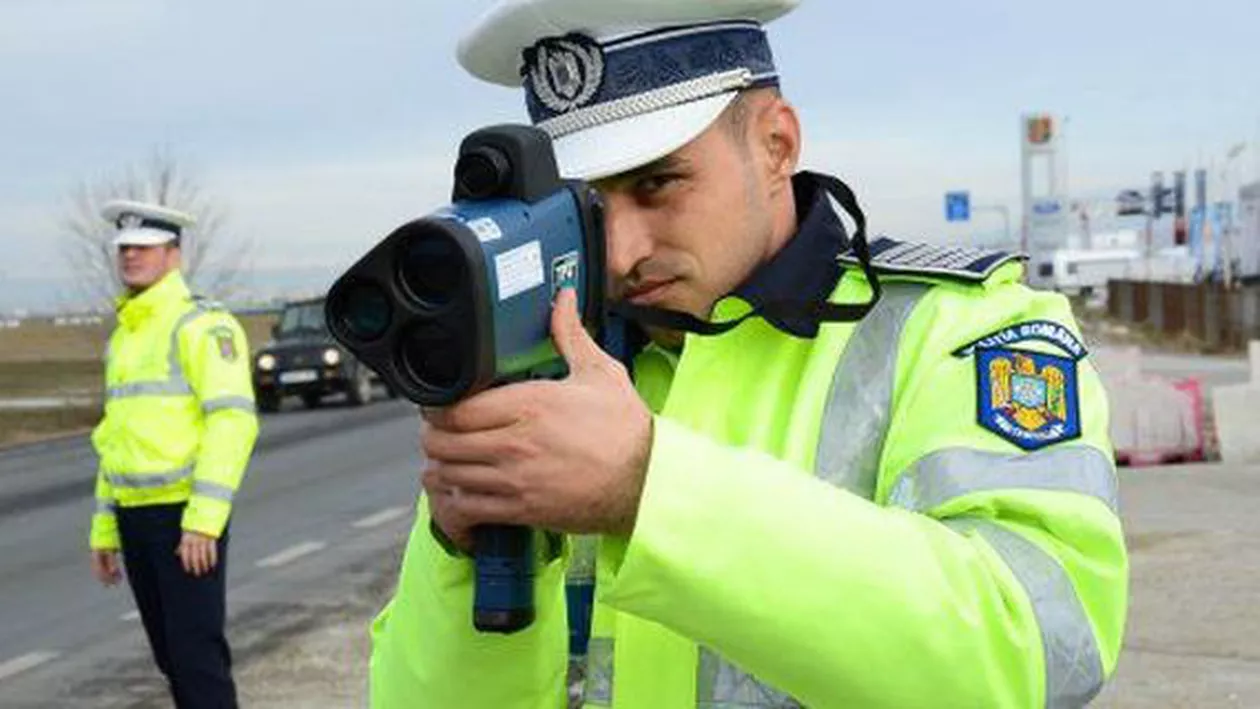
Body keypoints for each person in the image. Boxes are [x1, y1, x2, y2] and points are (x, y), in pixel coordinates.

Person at [370, 1, 1128, 706]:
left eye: (659, 183)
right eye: (589, 209)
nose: (624, 250)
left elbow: (1037, 647)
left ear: (776, 144)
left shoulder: (960, 329)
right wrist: (459, 553)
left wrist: (648, 488)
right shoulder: (548, 373)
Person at [88, 199, 259, 709]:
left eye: (144, 247)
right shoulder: (125, 336)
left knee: (196, 660)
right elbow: (113, 436)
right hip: (134, 517)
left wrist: (204, 521)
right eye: (125, 249)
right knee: (170, 658)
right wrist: (104, 526)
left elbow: (233, 420)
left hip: (184, 519)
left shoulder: (202, 325)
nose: (132, 257)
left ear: (174, 254)